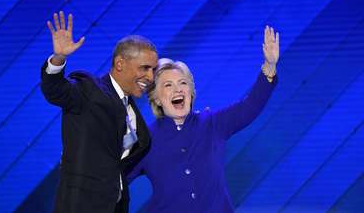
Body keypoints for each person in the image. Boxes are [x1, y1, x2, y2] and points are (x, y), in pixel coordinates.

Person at [127, 26, 280, 213]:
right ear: (156, 98)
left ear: (191, 93)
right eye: (168, 85)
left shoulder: (212, 124)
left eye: (183, 83)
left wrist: (269, 66)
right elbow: (112, 179)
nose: (178, 89)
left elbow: (250, 105)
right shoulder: (144, 140)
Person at [41, 11, 158, 213]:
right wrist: (59, 57)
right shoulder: (89, 89)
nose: (150, 76)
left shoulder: (131, 111)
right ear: (120, 63)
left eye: (153, 70)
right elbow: (56, 90)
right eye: (145, 68)